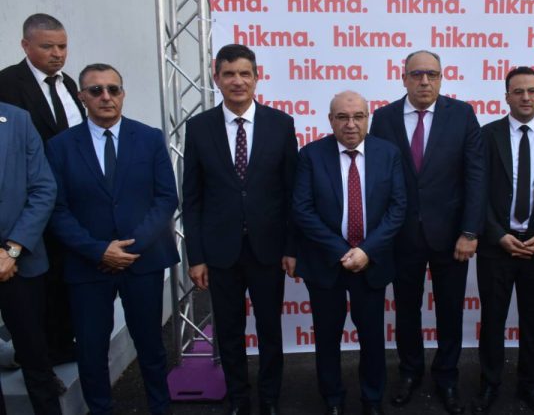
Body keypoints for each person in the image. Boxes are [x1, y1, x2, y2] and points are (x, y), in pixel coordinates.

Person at [46, 63, 179, 415]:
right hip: (88, 265)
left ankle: (160, 408)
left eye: (113, 89)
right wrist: (99, 251)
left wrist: (130, 247)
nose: (106, 97)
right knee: (91, 350)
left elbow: (166, 198)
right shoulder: (60, 146)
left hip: (143, 261)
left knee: (151, 346)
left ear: (122, 94)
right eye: (96, 90)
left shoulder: (149, 138)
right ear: (82, 97)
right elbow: (56, 209)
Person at [182, 44, 298, 415]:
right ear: (216, 78)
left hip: (268, 250)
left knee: (270, 330)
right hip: (220, 251)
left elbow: (292, 193)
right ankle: (239, 399)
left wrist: (291, 247)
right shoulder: (199, 128)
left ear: (256, 77)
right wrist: (196, 257)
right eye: (229, 74)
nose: (237, 81)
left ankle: (270, 398)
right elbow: (192, 198)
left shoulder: (281, 124)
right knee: (229, 332)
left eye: (244, 73)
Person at [369, 50, 486, 414]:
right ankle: (410, 372)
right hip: (401, 234)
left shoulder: (462, 114)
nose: (424, 81)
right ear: (403, 77)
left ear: (441, 78)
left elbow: (476, 175)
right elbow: (377, 176)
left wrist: (470, 231)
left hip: (451, 236)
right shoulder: (384, 118)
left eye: (432, 74)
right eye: (417, 74)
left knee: (450, 310)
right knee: (406, 310)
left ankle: (447, 376)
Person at [293, 91, 406, 415]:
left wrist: (366, 251)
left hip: (371, 263)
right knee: (327, 337)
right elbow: (302, 210)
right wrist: (343, 251)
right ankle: (332, 399)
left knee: (372, 338)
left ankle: (372, 399)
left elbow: (397, 208)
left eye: (358, 116)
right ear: (330, 120)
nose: (351, 124)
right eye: (342, 117)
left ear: (368, 119)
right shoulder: (311, 155)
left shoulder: (388, 154)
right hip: (326, 262)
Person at [472, 67, 534, 415]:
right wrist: (497, 234)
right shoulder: (486, 136)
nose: (526, 97)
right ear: (506, 96)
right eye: (518, 91)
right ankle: (490, 383)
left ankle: (529, 384)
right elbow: (476, 192)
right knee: (493, 319)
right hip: (496, 246)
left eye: (532, 91)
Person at [0, 12, 84, 366]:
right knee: (38, 284)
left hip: (71, 200)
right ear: (25, 45)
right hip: (30, 204)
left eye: (62, 46)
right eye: (48, 47)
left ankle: (63, 344)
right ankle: (38, 354)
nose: (57, 54)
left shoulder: (69, 84)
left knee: (67, 275)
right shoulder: (7, 84)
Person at [0, 101, 61, 414]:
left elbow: (43, 189)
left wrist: (12, 250)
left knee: (35, 358)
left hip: (21, 262)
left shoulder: (17, 120)